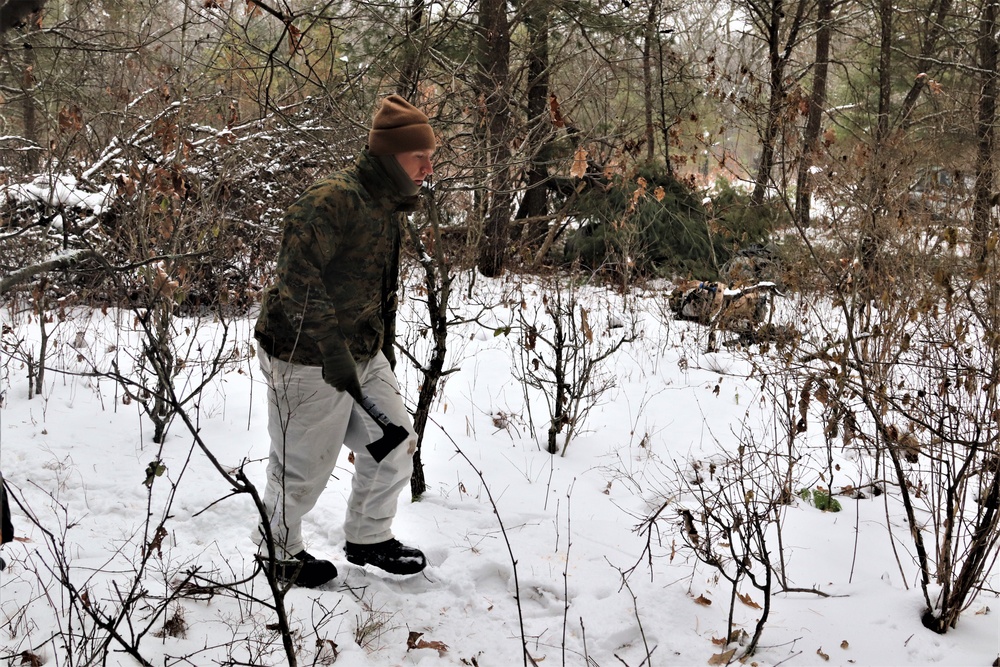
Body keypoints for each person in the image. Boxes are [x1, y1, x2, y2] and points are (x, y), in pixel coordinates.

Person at [253, 94, 435, 587]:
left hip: (359, 350)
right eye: (419, 156)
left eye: (430, 156)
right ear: (389, 154)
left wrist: (376, 350)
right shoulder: (331, 201)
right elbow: (297, 282)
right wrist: (333, 354)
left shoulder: (386, 205)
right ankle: (279, 552)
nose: (428, 166)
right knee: (303, 466)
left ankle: (369, 537)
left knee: (395, 440)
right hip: (304, 354)